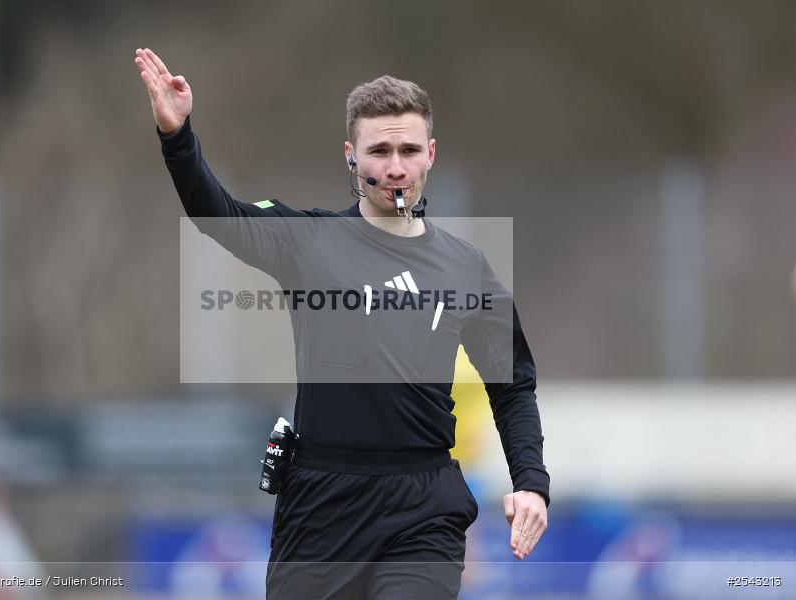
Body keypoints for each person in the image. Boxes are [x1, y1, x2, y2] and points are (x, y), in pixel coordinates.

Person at [134, 47, 549, 599]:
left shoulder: (465, 266)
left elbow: (512, 382)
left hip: (421, 509)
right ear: (352, 157)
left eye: (407, 150)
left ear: (430, 155)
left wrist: (531, 483)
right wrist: (178, 137)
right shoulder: (308, 241)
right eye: (379, 150)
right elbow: (220, 214)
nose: (394, 166)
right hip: (320, 507)